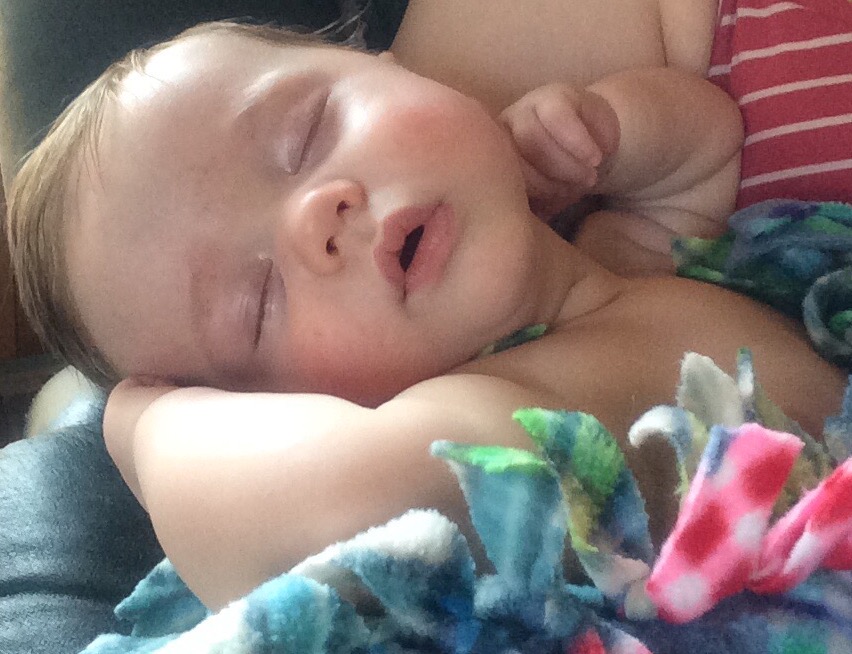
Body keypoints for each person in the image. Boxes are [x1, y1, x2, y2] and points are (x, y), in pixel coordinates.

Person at [5, 22, 844, 609]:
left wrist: (607, 132)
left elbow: (706, 145)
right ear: (274, 412)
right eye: (256, 302)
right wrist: (141, 425)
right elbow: (328, 514)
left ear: (390, 65)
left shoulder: (629, 257)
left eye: (307, 133)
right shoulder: (474, 421)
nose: (318, 215)